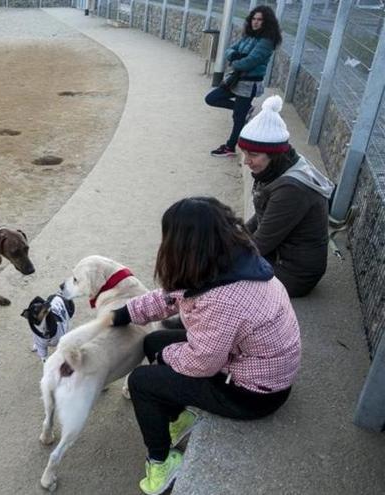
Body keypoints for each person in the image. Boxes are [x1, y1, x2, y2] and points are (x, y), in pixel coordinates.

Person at [108, 197, 300, 495]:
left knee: (142, 382)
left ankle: (160, 465)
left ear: (185, 245)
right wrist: (124, 314)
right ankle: (176, 418)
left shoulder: (223, 298)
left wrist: (165, 355)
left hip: (252, 393)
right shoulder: (230, 263)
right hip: (250, 367)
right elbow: (172, 296)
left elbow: (202, 363)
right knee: (154, 340)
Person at [239, 95, 334, 297]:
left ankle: (189, 321)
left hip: (293, 273)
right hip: (281, 257)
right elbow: (263, 216)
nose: (246, 161)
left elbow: (261, 243)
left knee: (220, 277)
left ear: (273, 154)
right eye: (244, 153)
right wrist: (231, 236)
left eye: (253, 155)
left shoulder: (291, 190)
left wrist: (219, 255)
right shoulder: (282, 167)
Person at [206, 5, 282, 158]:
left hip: (248, 83)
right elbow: (229, 50)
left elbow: (250, 62)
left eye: (260, 20)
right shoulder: (248, 36)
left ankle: (229, 147)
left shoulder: (267, 42)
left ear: (266, 22)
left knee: (238, 118)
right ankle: (245, 110)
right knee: (212, 98)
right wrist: (237, 56)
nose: (255, 22)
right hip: (235, 79)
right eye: (253, 19)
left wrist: (235, 60)